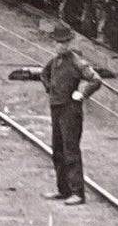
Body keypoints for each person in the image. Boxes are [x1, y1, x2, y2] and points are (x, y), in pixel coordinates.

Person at [39, 22, 101, 203]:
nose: (60, 46)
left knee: (70, 150)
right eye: (58, 43)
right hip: (56, 108)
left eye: (63, 43)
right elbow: (44, 74)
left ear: (68, 43)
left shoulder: (76, 61)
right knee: (57, 150)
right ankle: (63, 189)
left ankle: (77, 193)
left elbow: (95, 80)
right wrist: (50, 89)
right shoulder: (55, 61)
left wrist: (82, 94)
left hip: (70, 111)